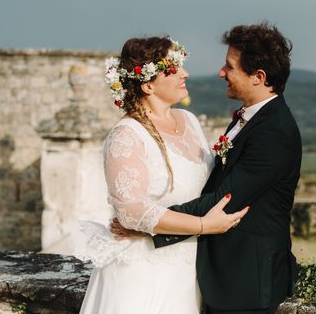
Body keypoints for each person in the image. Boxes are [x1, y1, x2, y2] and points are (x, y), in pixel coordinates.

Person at [115, 22, 302, 313]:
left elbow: (223, 200)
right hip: (212, 274)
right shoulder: (250, 118)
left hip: (246, 280)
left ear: (258, 77)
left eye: (230, 67)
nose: (221, 73)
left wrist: (150, 224)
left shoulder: (274, 131)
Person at [78, 36, 248, 314]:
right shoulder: (127, 134)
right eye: (174, 67)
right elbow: (131, 211)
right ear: (148, 85)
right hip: (144, 270)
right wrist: (204, 226)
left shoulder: (190, 121)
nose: (185, 73)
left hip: (189, 266)